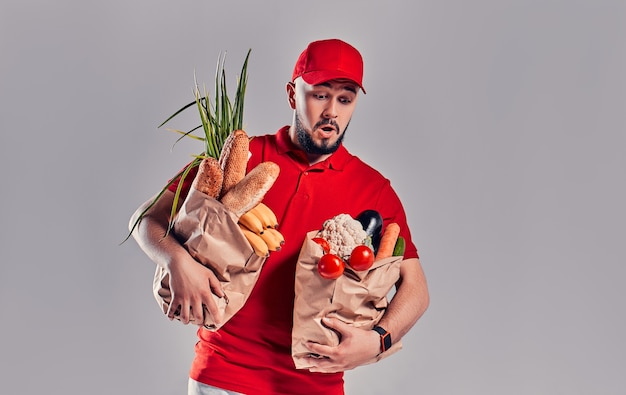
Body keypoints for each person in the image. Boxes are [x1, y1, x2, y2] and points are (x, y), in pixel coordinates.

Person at [129, 38, 430, 395]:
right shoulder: (243, 156)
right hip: (223, 374)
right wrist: (178, 260)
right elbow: (145, 219)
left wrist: (378, 340)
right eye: (320, 94)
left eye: (345, 99)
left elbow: (417, 289)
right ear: (292, 95)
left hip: (316, 383)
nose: (332, 111)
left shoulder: (374, 189)